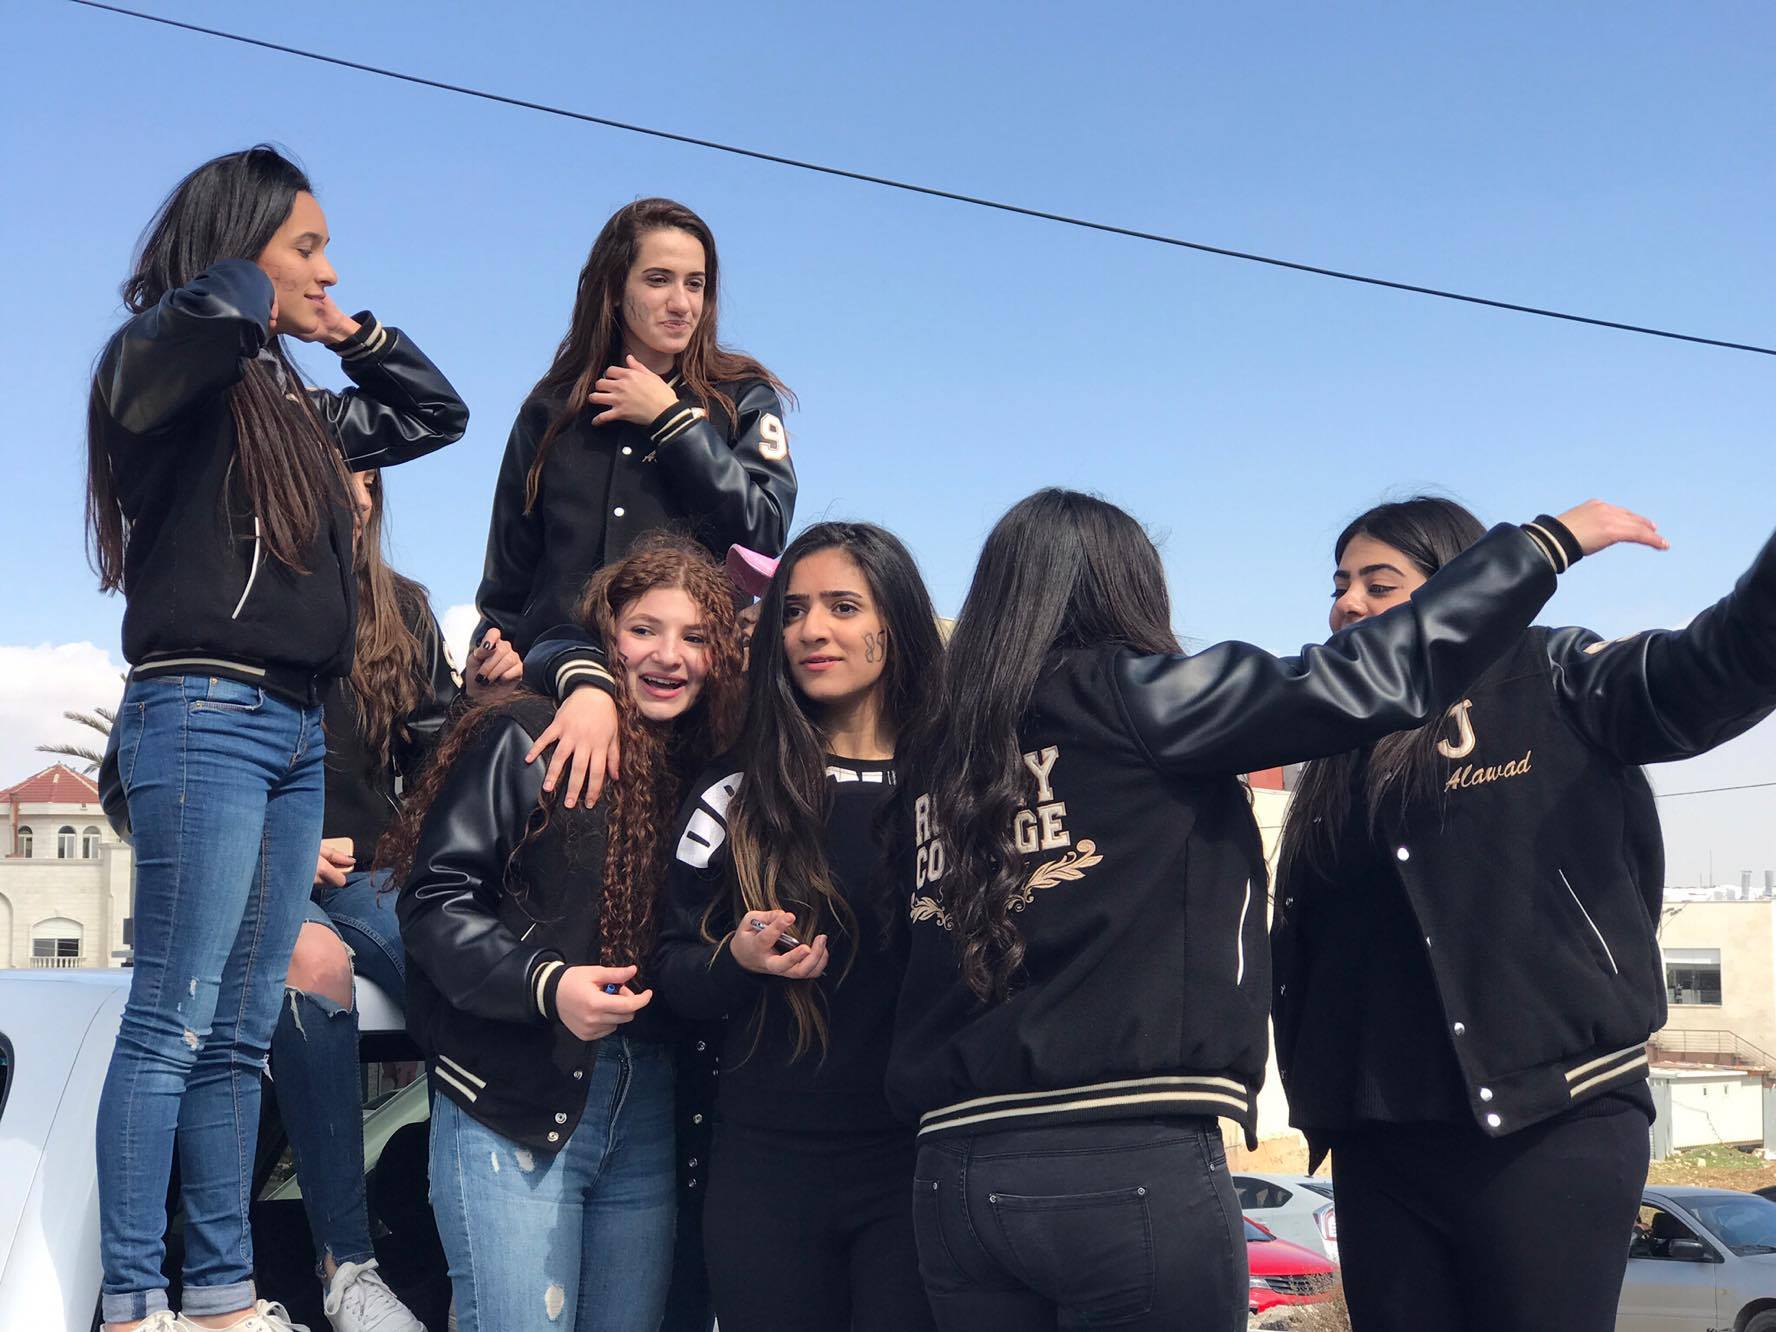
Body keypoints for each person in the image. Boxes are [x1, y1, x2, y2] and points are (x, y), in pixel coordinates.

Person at [887, 488, 1666, 1332]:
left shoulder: (936, 757)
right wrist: (1541, 547)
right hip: (1116, 1152)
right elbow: (1360, 677)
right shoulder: (1136, 698)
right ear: (1123, 586)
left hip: (949, 1175)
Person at [88, 145, 467, 1332]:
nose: (329, 269)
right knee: (173, 1020)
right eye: (308, 246)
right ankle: (133, 1300)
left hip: (293, 728)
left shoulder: (296, 411)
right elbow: (175, 349)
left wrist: (353, 332)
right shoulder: (167, 373)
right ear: (240, 251)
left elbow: (433, 413)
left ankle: (219, 1295)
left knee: (234, 1034)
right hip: (204, 708)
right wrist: (251, 285)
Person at [1271, 497, 1776, 1332]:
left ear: (1466, 585)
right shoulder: (1332, 737)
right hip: (1378, 1141)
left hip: (1554, 1121)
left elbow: (1716, 665)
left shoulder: (1553, 675)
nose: (1348, 603)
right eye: (1340, 585)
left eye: (1378, 583)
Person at [389, 535, 744, 1332]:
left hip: (647, 1104)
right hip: (510, 1095)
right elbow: (435, 903)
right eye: (645, 629)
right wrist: (546, 985)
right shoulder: (531, 731)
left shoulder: (707, 770)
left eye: (695, 637)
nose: (669, 655)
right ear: (606, 636)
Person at [655, 522, 943, 1332]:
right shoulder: (733, 791)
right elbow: (670, 970)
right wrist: (736, 961)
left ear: (896, 623)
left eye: (843, 606)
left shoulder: (959, 786)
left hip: (918, 1166)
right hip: (766, 1171)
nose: (812, 630)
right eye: (792, 610)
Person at [269, 468, 517, 1332]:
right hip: (259, 870)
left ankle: (481, 1249)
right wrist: (279, 847)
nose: (358, 491)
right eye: (338, 467)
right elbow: (140, 775)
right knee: (314, 960)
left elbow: (432, 767)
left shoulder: (402, 608)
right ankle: (347, 1266)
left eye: (371, 476)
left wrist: (475, 707)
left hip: (379, 872)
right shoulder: (232, 593)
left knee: (464, 975)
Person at [475, 196, 797, 659]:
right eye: (658, 280)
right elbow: (507, 580)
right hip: (560, 674)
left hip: (690, 675)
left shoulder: (743, 396)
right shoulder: (550, 410)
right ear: (613, 287)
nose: (681, 303)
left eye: (695, 284)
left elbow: (763, 534)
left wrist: (673, 423)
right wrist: (489, 657)